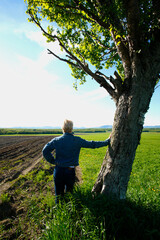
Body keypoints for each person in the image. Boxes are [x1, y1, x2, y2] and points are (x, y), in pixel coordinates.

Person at [42, 119, 111, 203]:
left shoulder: (57, 140)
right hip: (70, 171)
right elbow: (92, 144)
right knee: (70, 194)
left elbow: (45, 150)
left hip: (58, 170)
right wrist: (107, 141)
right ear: (72, 128)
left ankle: (58, 212)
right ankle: (69, 211)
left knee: (58, 195)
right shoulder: (77, 140)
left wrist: (53, 161)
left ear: (62, 128)